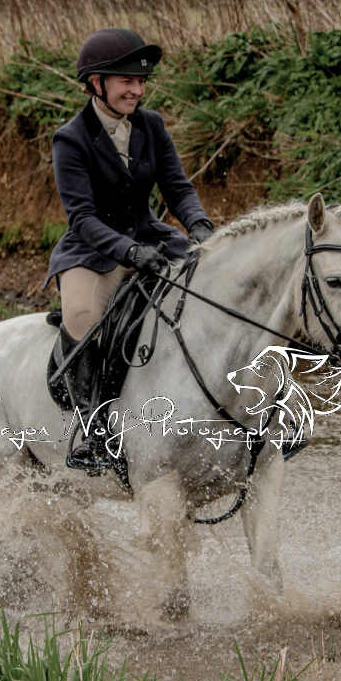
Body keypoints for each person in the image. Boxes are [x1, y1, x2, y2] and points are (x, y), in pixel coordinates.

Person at [44, 27, 214, 469]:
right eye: (127, 81)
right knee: (83, 318)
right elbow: (82, 217)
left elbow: (177, 187)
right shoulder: (71, 139)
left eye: (141, 82)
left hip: (153, 239)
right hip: (93, 252)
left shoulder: (151, 125)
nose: (137, 90)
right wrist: (130, 253)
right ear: (96, 83)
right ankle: (92, 431)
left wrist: (199, 225)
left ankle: (250, 413)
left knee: (215, 292)